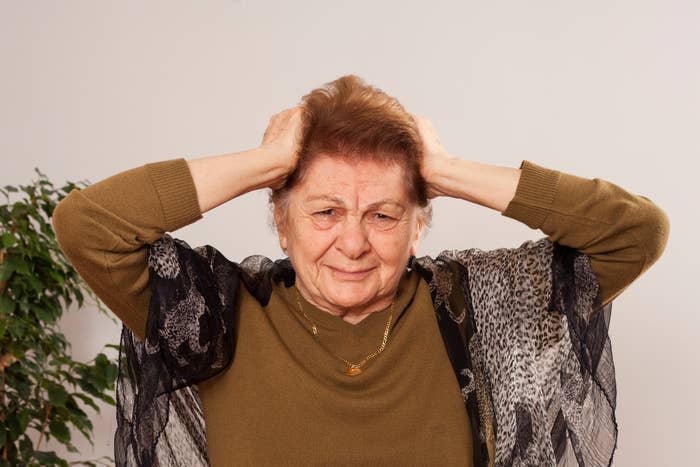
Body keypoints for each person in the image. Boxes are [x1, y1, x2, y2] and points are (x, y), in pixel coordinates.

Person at [52, 75, 669, 467]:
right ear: (281, 219)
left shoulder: (481, 311)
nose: (353, 243)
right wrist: (268, 159)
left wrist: (444, 169)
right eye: (324, 211)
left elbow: (634, 234)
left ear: (418, 225)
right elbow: (88, 226)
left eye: (383, 214)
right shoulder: (209, 314)